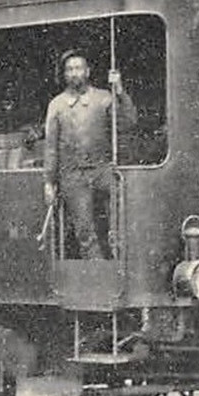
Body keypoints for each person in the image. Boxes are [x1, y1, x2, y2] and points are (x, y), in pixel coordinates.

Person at [42, 50, 137, 259]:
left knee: (119, 225)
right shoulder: (56, 105)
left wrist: (119, 90)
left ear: (87, 71)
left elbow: (129, 123)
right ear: (64, 75)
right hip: (73, 176)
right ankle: (98, 280)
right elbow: (50, 147)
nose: (74, 73)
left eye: (78, 68)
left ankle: (121, 270)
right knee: (85, 233)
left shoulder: (104, 98)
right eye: (69, 69)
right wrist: (49, 181)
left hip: (103, 170)